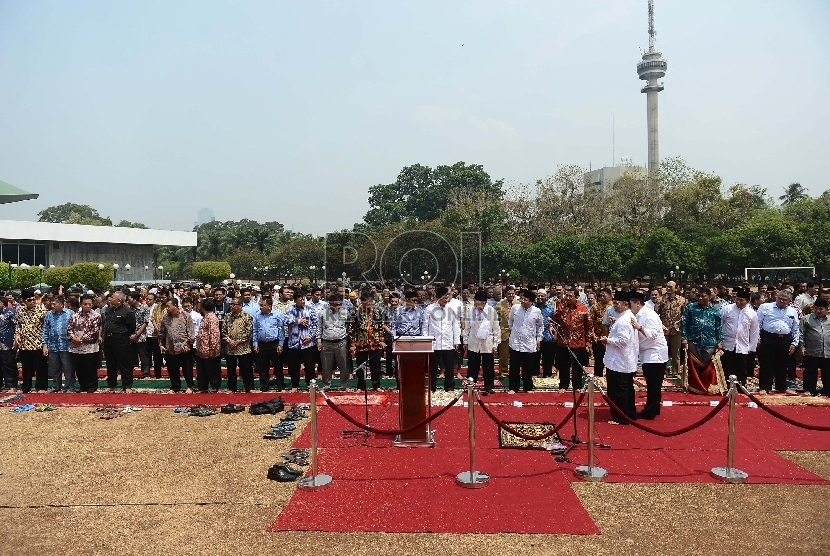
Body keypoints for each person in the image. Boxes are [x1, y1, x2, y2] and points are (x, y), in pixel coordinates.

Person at [598, 291, 639, 424]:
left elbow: (622, 341)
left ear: (625, 304)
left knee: (618, 391)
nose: (614, 306)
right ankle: (629, 413)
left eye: (616, 304)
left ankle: (621, 417)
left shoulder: (624, 320)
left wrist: (607, 340)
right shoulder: (626, 317)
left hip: (620, 362)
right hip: (625, 360)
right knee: (627, 389)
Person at [630, 291, 669, 419]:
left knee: (653, 385)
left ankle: (650, 412)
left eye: (631, 304)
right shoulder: (638, 313)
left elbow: (652, 335)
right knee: (653, 384)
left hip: (655, 354)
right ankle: (653, 409)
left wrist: (639, 327)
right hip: (648, 353)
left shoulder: (649, 315)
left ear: (637, 303)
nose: (630, 307)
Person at [680, 288, 723, 394]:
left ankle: (706, 386)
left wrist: (719, 341)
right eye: (698, 295)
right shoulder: (690, 307)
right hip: (693, 341)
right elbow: (683, 322)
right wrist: (684, 338)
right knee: (694, 365)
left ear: (709, 297)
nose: (700, 298)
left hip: (710, 342)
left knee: (707, 365)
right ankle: (694, 386)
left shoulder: (715, 310)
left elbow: (718, 327)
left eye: (703, 296)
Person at [756, 289, 800, 395]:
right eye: (779, 298)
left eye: (784, 300)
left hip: (785, 339)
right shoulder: (765, 307)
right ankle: (764, 387)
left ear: (789, 301)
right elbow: (757, 324)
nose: (781, 301)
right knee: (766, 363)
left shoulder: (792, 311)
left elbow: (795, 328)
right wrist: (757, 338)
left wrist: (794, 343)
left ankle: (782, 387)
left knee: (783, 364)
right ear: (776, 297)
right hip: (768, 337)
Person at [551, 287, 592, 392]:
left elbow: (589, 327)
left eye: (570, 296)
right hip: (563, 342)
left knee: (578, 366)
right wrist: (554, 331)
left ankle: (577, 386)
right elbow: (552, 321)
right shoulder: (560, 308)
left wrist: (588, 341)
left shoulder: (583, 309)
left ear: (577, 297)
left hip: (579, 343)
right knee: (563, 365)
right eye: (567, 296)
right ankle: (563, 386)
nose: (567, 298)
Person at [720, 288, 760, 387]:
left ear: (747, 301)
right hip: (727, 344)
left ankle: (740, 388)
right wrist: (719, 341)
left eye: (741, 300)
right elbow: (719, 325)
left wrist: (752, 347)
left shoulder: (752, 313)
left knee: (741, 368)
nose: (738, 302)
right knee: (727, 367)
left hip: (742, 345)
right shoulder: (727, 309)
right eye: (737, 299)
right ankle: (727, 388)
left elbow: (754, 332)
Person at [424, 286, 461, 393]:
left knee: (449, 366)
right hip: (434, 342)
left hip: (447, 342)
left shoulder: (451, 309)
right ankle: (432, 387)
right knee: (433, 367)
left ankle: (449, 386)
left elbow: (456, 325)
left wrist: (456, 341)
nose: (446, 300)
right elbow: (425, 326)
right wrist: (426, 341)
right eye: (444, 298)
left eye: (447, 297)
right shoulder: (430, 308)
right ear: (438, 297)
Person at [507, 289, 544, 394]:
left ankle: (528, 387)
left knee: (527, 368)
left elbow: (540, 326)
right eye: (522, 299)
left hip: (529, 343)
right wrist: (515, 332)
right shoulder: (515, 308)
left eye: (525, 299)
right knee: (514, 367)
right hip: (515, 343)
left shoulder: (536, 311)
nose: (522, 301)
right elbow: (510, 322)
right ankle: (513, 387)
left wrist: (538, 339)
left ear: (531, 301)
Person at [463, 289, 500, 395]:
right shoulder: (470, 311)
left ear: (484, 303)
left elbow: (496, 329)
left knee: (488, 366)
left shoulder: (492, 311)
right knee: (472, 366)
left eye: (477, 302)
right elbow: (466, 327)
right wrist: (465, 341)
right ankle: (471, 386)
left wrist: (495, 344)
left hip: (487, 343)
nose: (475, 304)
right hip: (473, 341)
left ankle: (488, 387)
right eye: (474, 302)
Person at [101, 292, 137, 393]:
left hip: (121, 340)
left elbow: (131, 327)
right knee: (110, 363)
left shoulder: (127, 311)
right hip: (109, 340)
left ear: (119, 300)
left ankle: (127, 386)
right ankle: (111, 384)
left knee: (124, 363)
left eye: (113, 297)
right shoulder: (109, 310)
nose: (110, 299)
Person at [350, 291, 386, 391]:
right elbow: (351, 330)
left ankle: (376, 385)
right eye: (367, 301)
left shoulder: (377, 313)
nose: (370, 304)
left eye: (371, 301)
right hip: (361, 344)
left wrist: (381, 340)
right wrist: (352, 344)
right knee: (361, 366)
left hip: (375, 343)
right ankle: (361, 386)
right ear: (362, 302)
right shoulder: (356, 313)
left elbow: (380, 327)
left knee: (376, 366)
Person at [14, 288, 48, 393]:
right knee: (26, 368)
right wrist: (17, 335)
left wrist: (45, 343)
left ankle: (41, 387)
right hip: (25, 344)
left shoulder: (41, 309)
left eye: (33, 299)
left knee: (40, 368)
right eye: (29, 300)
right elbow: (19, 325)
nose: (32, 301)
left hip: (38, 343)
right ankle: (26, 387)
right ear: (24, 301)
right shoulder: (20, 310)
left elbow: (46, 326)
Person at [67, 294, 103, 393]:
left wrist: (80, 340)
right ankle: (83, 386)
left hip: (90, 347)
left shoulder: (96, 316)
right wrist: (74, 338)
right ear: (81, 304)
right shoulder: (74, 316)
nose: (87, 306)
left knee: (90, 368)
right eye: (85, 304)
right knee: (79, 368)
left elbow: (94, 331)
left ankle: (91, 387)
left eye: (89, 304)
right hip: (76, 347)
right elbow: (69, 329)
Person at [158, 298, 195, 394]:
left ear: (175, 305)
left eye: (168, 306)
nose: (167, 308)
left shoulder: (185, 316)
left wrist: (188, 344)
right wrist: (161, 344)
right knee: (172, 369)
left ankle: (190, 386)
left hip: (184, 347)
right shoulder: (165, 317)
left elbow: (191, 333)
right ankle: (175, 386)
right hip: (170, 347)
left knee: (187, 368)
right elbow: (161, 332)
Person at [284, 290, 319, 392]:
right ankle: (295, 385)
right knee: (294, 366)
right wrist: (298, 321)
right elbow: (285, 321)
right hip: (294, 343)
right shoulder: (290, 309)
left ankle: (310, 385)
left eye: (303, 299)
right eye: (300, 299)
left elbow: (315, 324)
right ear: (295, 300)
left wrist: (310, 337)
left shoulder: (310, 309)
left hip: (307, 343)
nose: (302, 301)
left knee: (309, 365)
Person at [316, 294, 351, 391]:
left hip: (341, 342)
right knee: (326, 365)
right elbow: (319, 327)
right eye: (335, 305)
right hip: (327, 342)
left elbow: (349, 326)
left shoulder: (345, 313)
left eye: (339, 304)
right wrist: (319, 341)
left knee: (343, 365)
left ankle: (344, 385)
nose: (337, 307)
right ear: (329, 304)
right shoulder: (322, 313)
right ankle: (326, 385)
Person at [42, 296, 75, 393]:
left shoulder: (70, 313)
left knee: (68, 367)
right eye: (51, 304)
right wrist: (45, 345)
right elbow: (45, 330)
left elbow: (74, 328)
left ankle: (70, 386)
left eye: (54, 304)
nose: (52, 306)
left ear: (61, 304)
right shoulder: (49, 314)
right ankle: (56, 386)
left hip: (66, 345)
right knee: (54, 368)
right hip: (52, 346)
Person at [253, 296, 285, 392]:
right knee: (263, 366)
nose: (261, 307)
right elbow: (255, 330)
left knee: (278, 366)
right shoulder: (257, 315)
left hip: (274, 343)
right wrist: (255, 344)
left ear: (269, 306)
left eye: (263, 305)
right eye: (260, 305)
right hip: (262, 344)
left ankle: (280, 386)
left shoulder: (277, 315)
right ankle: (264, 386)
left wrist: (280, 344)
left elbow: (281, 331)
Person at [655, 281, 686, 378]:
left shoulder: (682, 300)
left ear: (676, 288)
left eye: (670, 287)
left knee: (676, 352)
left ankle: (676, 372)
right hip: (664, 330)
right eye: (667, 287)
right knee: (663, 351)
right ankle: (662, 371)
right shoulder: (660, 300)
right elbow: (655, 315)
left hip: (676, 330)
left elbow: (684, 316)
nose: (668, 288)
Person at [223, 296, 254, 393]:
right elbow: (223, 331)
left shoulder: (247, 317)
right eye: (231, 304)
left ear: (240, 306)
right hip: (230, 348)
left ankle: (248, 387)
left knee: (246, 369)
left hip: (243, 348)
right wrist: (229, 341)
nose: (232, 306)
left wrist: (238, 341)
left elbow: (248, 332)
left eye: (234, 304)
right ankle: (232, 388)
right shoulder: (227, 316)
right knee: (231, 370)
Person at [800, 298, 830, 396]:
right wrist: (802, 347)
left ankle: (827, 391)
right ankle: (809, 389)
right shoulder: (806, 319)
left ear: (827, 309)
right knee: (810, 372)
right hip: (811, 350)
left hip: (827, 351)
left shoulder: (829, 320)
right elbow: (801, 334)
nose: (818, 311)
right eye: (816, 308)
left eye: (821, 309)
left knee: (827, 372)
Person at [194, 298, 222, 393]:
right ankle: (203, 388)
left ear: (202, 308)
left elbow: (214, 334)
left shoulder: (212, 318)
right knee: (202, 371)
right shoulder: (205, 317)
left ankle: (215, 388)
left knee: (212, 370)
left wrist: (212, 349)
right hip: (201, 350)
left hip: (209, 350)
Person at [127, 291, 151, 379]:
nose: (128, 301)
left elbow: (145, 323)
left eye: (129, 299)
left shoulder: (144, 309)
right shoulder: (128, 309)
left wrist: (137, 334)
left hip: (141, 336)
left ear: (135, 299)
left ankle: (146, 373)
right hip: (130, 336)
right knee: (130, 355)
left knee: (143, 355)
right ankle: (129, 373)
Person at [589, 288, 612, 378]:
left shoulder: (614, 307)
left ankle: (610, 378)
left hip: (611, 339)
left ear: (610, 296)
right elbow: (590, 322)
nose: (602, 298)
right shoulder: (595, 307)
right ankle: (598, 378)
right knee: (598, 359)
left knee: (611, 359)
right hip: (598, 337)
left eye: (604, 296)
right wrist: (592, 335)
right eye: (600, 296)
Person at [536, 289, 557, 378]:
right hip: (535, 337)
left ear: (546, 297)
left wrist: (555, 335)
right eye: (539, 296)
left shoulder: (551, 308)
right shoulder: (532, 307)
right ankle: (534, 375)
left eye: (542, 296)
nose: (540, 297)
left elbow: (554, 323)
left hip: (548, 336)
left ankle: (547, 375)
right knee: (535, 358)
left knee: (548, 358)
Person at [0, 295, 17, 391]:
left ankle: (11, 385)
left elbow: (16, 327)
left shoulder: (10, 312)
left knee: (9, 364)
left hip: (7, 342)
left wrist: (15, 340)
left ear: (2, 303)